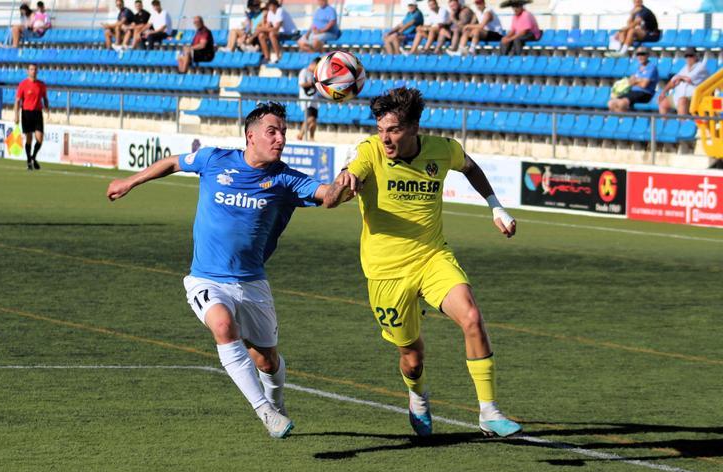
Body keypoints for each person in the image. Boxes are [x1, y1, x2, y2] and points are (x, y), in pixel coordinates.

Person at [106, 102, 335, 439]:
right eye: (272, 131)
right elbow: (172, 162)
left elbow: (327, 195)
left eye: (283, 132)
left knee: (267, 361)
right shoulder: (214, 159)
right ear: (250, 136)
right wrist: (131, 181)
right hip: (206, 278)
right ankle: (265, 413)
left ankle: (276, 402)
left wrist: (347, 180)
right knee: (223, 325)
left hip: (252, 283)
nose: (280, 138)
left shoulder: (285, 178)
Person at [322, 87, 522, 439]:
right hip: (386, 272)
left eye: (394, 130)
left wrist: (496, 206)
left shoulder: (441, 150)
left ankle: (489, 412)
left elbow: (470, 167)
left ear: (414, 127)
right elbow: (331, 202)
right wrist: (343, 183)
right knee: (412, 357)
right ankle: (418, 396)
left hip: (432, 257)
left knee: (472, 317)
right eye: (381, 129)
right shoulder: (369, 152)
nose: (385, 137)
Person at [14, 63, 50, 171]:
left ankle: (33, 157)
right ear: (27, 71)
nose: (33, 71)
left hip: (38, 113)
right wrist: (16, 115)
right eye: (31, 69)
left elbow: (45, 98)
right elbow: (17, 101)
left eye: (35, 69)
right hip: (26, 113)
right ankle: (29, 160)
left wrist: (47, 108)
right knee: (29, 139)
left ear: (37, 71)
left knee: (39, 138)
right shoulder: (23, 84)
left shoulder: (41, 85)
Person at [658, 47, 708, 115]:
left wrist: (679, 78)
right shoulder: (685, 68)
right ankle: (664, 124)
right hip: (679, 95)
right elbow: (673, 81)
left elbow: (689, 79)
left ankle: (682, 124)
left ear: (696, 56)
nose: (688, 58)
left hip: (694, 97)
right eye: (686, 56)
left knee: (682, 101)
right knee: (663, 103)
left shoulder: (701, 67)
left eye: (691, 56)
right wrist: (663, 92)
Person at [608, 46, 658, 112]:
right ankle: (618, 119)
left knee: (621, 103)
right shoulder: (638, 67)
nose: (640, 56)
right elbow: (631, 82)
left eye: (643, 54)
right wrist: (638, 80)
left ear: (647, 55)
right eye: (638, 54)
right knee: (611, 103)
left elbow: (644, 85)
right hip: (633, 92)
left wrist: (636, 81)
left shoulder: (651, 67)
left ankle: (624, 120)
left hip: (644, 93)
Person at [297, 57, 321, 141]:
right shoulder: (304, 72)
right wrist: (312, 83)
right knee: (310, 118)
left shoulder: (315, 75)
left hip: (314, 100)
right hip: (306, 99)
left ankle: (311, 137)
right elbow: (302, 84)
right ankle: (300, 135)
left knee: (314, 121)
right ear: (314, 64)